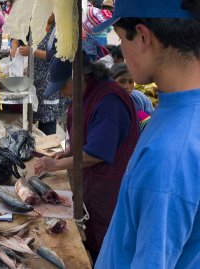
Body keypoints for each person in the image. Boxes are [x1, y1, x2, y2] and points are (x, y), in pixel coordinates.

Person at [92, 0, 200, 267]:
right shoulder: (177, 107)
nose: (122, 53)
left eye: (121, 40)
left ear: (142, 36)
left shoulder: (169, 154)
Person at [34, 57, 139, 263]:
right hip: (90, 184)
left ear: (80, 76)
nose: (61, 92)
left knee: (105, 243)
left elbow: (98, 153)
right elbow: (85, 136)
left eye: (63, 86)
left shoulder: (109, 101)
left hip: (108, 190)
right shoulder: (85, 93)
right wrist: (68, 153)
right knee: (89, 239)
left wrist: (55, 165)